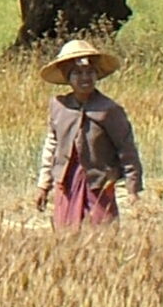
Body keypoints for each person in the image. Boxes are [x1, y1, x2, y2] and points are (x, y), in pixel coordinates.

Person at [33, 37, 141, 229]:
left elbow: (126, 148)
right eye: (78, 73)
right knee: (66, 235)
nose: (85, 78)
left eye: (90, 72)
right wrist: (43, 185)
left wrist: (133, 188)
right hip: (66, 182)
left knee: (103, 234)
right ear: (68, 77)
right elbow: (51, 146)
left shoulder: (109, 109)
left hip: (98, 184)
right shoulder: (59, 107)